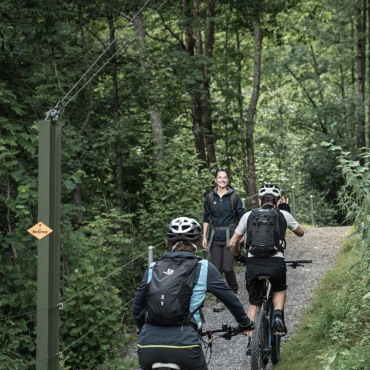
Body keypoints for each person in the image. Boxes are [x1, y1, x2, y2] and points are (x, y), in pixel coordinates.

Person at [132, 217, 254, 370]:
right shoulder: (203, 267)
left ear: (169, 244)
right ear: (197, 243)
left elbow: (137, 307)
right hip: (185, 346)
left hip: (147, 347)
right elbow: (230, 299)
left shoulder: (153, 267)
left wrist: (144, 330)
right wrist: (244, 322)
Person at [229, 183, 304, 353]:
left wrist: (238, 257)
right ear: (277, 201)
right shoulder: (283, 213)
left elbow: (233, 243)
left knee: (254, 303)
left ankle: (250, 341)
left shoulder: (248, 215)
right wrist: (286, 212)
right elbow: (301, 232)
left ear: (259, 200)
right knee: (279, 289)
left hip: (253, 264)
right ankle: (277, 315)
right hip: (275, 263)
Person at [202, 167, 245, 312]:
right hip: (215, 237)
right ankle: (220, 299)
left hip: (230, 236)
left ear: (228, 179)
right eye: (219, 177)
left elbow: (241, 217)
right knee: (216, 270)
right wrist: (204, 236)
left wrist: (241, 235)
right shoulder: (209, 198)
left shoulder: (234, 197)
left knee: (227, 268)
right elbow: (206, 217)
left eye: (224, 177)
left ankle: (234, 291)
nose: (222, 180)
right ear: (215, 179)